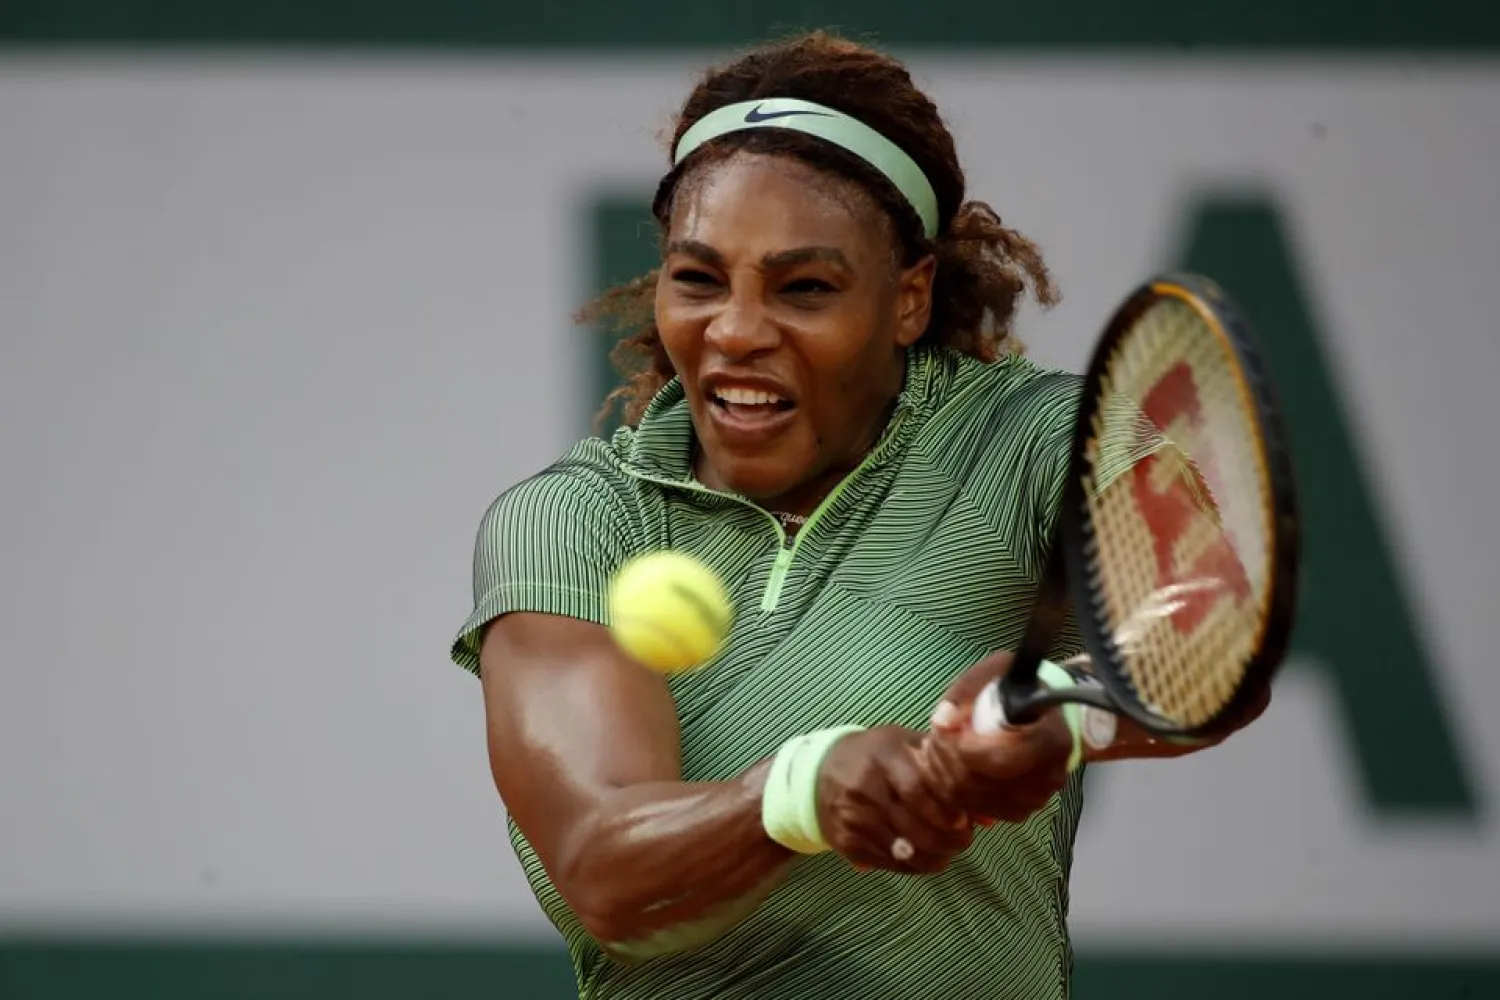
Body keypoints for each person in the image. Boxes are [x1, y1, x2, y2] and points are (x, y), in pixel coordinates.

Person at [448, 31, 1265, 1000]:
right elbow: (604, 868)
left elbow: (1212, 629)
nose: (739, 330)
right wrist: (799, 792)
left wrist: (1060, 710)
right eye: (698, 278)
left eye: (805, 288)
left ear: (908, 298)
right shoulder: (572, 521)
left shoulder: (1037, 439)